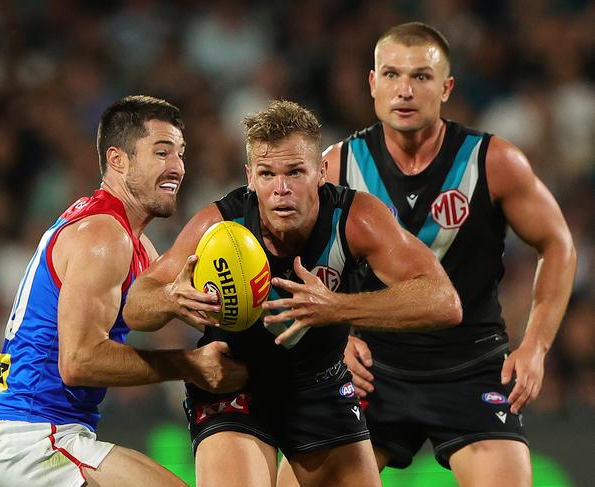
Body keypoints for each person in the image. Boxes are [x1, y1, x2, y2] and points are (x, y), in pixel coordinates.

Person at [278, 22, 577, 487]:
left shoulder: (492, 162)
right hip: (370, 368)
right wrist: (335, 343)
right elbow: (299, 268)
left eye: (421, 76)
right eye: (392, 75)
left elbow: (558, 244)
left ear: (446, 87)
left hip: (471, 366)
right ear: (373, 83)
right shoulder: (336, 167)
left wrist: (535, 346)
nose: (405, 90)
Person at [122, 99, 462, 487]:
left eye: (295, 172)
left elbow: (444, 301)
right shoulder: (219, 224)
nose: (281, 189)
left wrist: (336, 307)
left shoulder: (355, 219)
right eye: (267, 174)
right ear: (250, 176)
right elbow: (136, 306)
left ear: (320, 172)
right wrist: (171, 298)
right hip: (236, 383)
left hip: (319, 384)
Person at [0, 95, 248, 487]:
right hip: (33, 434)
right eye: (162, 152)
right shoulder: (104, 236)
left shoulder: (131, 240)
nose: (178, 167)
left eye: (181, 153)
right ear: (118, 160)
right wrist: (190, 364)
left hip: (41, 429)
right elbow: (80, 361)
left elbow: (149, 314)